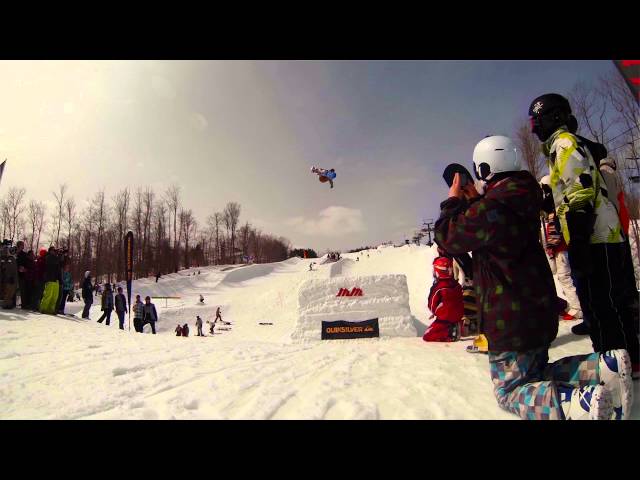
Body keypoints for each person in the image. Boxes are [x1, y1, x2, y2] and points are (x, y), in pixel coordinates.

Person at [434, 134, 633, 420]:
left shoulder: (494, 208)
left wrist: (452, 201)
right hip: (537, 312)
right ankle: (605, 367)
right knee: (537, 373)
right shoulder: (522, 194)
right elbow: (492, 226)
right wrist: (476, 201)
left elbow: (448, 236)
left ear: (484, 169)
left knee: (511, 391)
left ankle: (580, 405)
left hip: (510, 319)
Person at [529, 93, 639, 377]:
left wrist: (578, 241)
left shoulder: (564, 143)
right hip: (600, 236)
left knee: (600, 305)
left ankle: (615, 365)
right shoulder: (560, 147)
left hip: (595, 237)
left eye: (536, 121)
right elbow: (567, 191)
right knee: (607, 303)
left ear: (554, 117)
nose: (534, 128)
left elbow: (580, 189)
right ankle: (629, 358)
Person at [539, 176, 582, 321]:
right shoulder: (552, 207)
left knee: (565, 276)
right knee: (562, 276)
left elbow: (556, 229)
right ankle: (574, 305)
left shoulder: (557, 205)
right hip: (558, 247)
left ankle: (578, 308)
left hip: (561, 247)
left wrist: (552, 245)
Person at [423, 256, 464, 342]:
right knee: (451, 317)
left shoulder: (438, 287)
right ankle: (457, 326)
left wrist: (435, 312)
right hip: (458, 316)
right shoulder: (457, 285)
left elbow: (431, 305)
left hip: (445, 318)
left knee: (427, 335)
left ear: (438, 271)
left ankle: (449, 334)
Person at [39, 247, 61, 314]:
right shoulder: (48, 257)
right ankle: (43, 308)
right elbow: (52, 262)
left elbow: (60, 265)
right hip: (50, 278)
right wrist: (57, 256)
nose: (55, 252)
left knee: (55, 296)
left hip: (56, 279)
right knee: (48, 294)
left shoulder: (56, 258)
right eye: (54, 250)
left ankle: (51, 309)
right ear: (50, 251)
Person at [16, 241, 31, 310]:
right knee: (13, 289)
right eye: (22, 245)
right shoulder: (14, 253)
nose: (23, 246)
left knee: (22, 290)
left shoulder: (24, 254)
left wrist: (25, 269)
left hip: (22, 275)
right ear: (19, 245)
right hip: (14, 274)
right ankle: (12, 303)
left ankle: (24, 304)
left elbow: (27, 263)